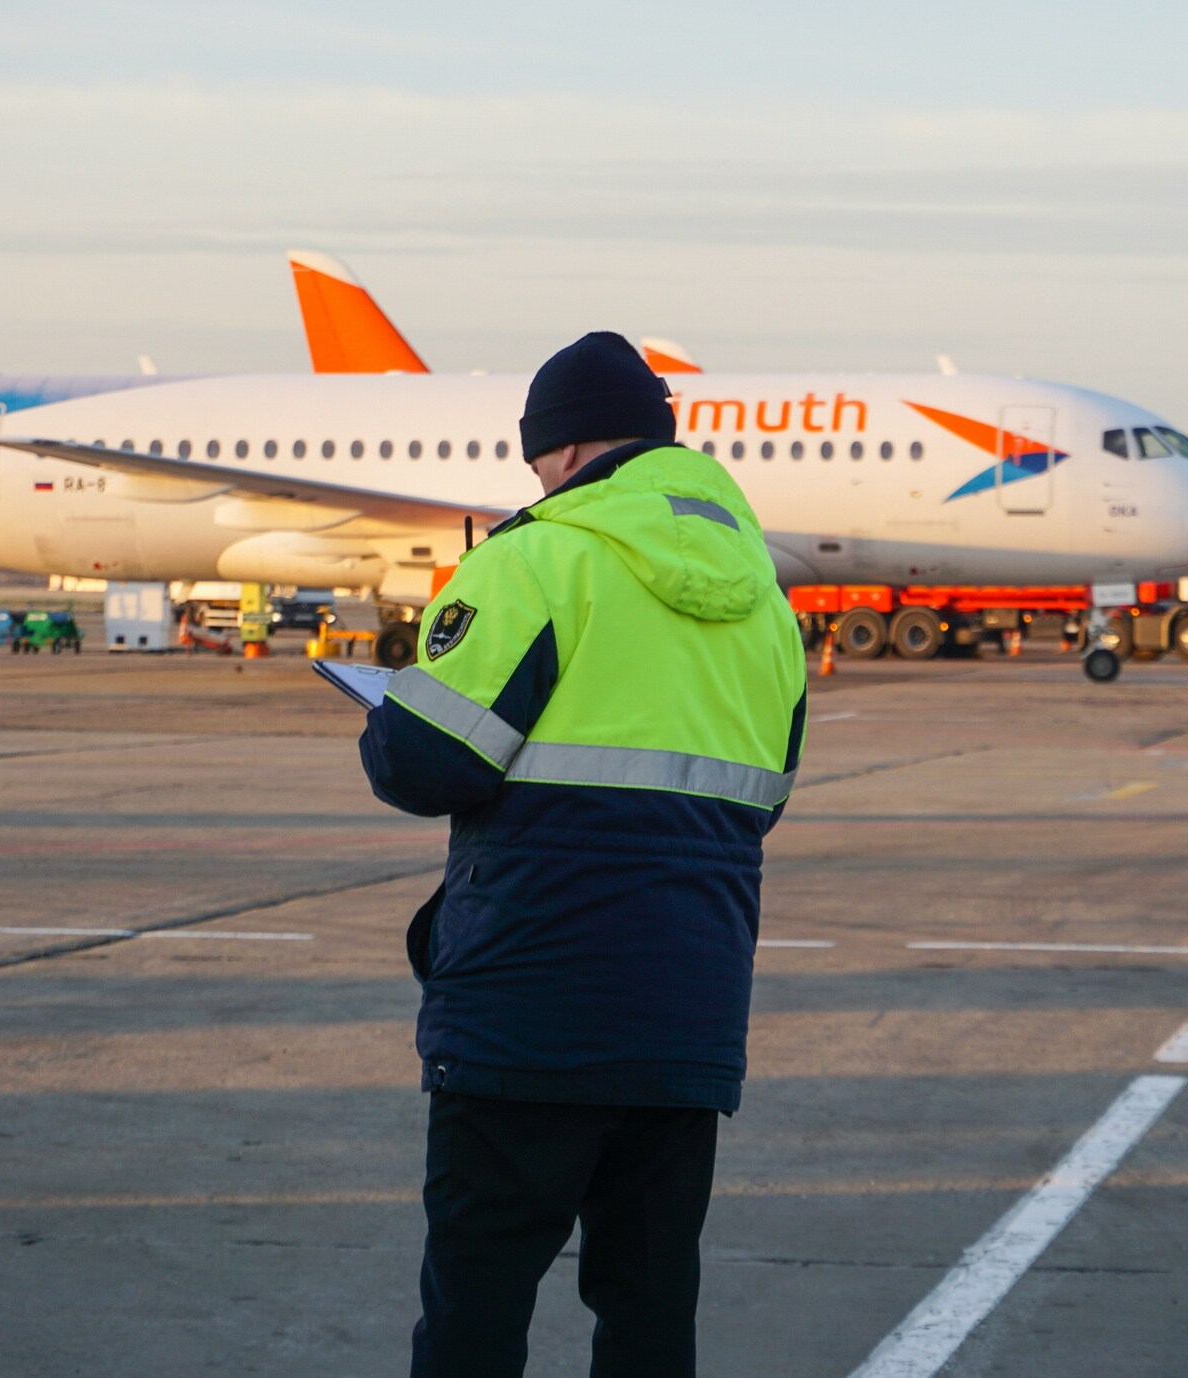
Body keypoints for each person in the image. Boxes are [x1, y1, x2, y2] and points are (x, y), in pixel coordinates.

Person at [358, 332, 809, 1378]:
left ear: (559, 450)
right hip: (686, 1015)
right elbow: (761, 801)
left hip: (528, 1008)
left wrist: (391, 707)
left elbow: (426, 762)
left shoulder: (535, 558)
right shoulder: (768, 607)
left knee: (477, 1301)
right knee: (650, 1309)